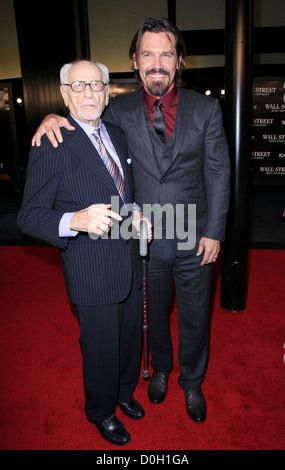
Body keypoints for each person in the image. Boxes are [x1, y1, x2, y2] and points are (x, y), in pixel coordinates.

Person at [32, 17, 231, 424]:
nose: (157, 62)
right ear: (135, 62)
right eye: (148, 54)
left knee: (196, 313)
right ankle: (159, 368)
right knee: (152, 311)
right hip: (144, 232)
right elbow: (84, 124)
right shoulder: (116, 108)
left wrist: (215, 231)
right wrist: (51, 117)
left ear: (179, 61)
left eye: (166, 54)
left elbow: (219, 172)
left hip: (195, 232)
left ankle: (192, 381)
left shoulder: (207, 108)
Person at [18, 59, 152, 446]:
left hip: (126, 256)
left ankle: (125, 393)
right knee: (100, 345)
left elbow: (124, 192)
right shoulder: (52, 142)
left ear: (108, 92)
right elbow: (29, 216)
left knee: (129, 338)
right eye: (78, 86)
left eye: (96, 85)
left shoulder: (117, 134)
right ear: (64, 94)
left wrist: (136, 211)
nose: (88, 93)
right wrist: (74, 220)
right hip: (90, 266)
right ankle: (100, 410)